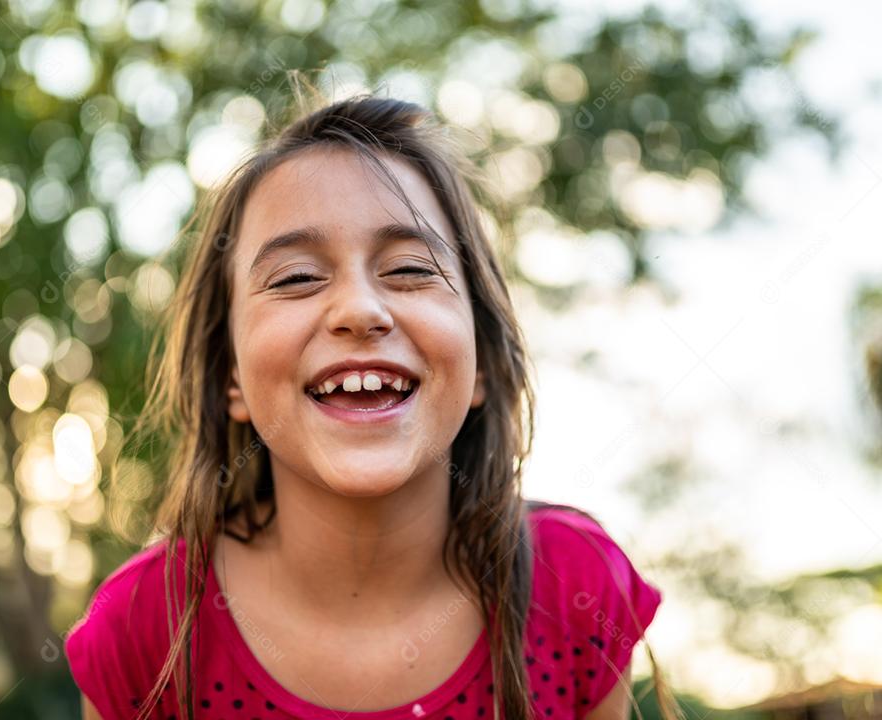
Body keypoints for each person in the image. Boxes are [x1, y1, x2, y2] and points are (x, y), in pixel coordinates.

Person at [64, 78, 674, 720]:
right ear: (230, 379)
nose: (359, 309)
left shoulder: (574, 586)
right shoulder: (140, 631)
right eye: (296, 277)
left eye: (410, 269)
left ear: (484, 366)